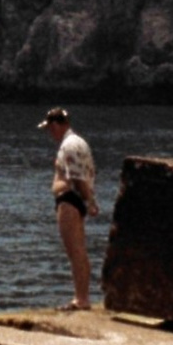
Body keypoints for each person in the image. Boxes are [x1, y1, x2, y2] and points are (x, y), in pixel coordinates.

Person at [39, 108, 97, 310]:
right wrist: (90, 200)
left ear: (56, 125)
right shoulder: (78, 142)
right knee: (79, 250)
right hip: (75, 199)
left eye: (50, 128)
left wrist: (90, 202)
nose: (50, 133)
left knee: (75, 251)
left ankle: (81, 299)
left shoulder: (69, 145)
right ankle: (82, 297)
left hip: (69, 200)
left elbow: (77, 178)